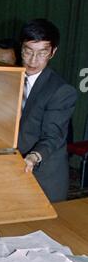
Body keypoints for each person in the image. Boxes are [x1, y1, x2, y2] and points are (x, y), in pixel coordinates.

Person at [18, 19, 77, 202]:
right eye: (28, 51)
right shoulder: (11, 78)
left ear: (53, 52)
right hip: (14, 169)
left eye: (42, 53)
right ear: (21, 48)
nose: (33, 60)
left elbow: (53, 136)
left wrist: (34, 157)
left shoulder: (61, 90)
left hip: (44, 176)